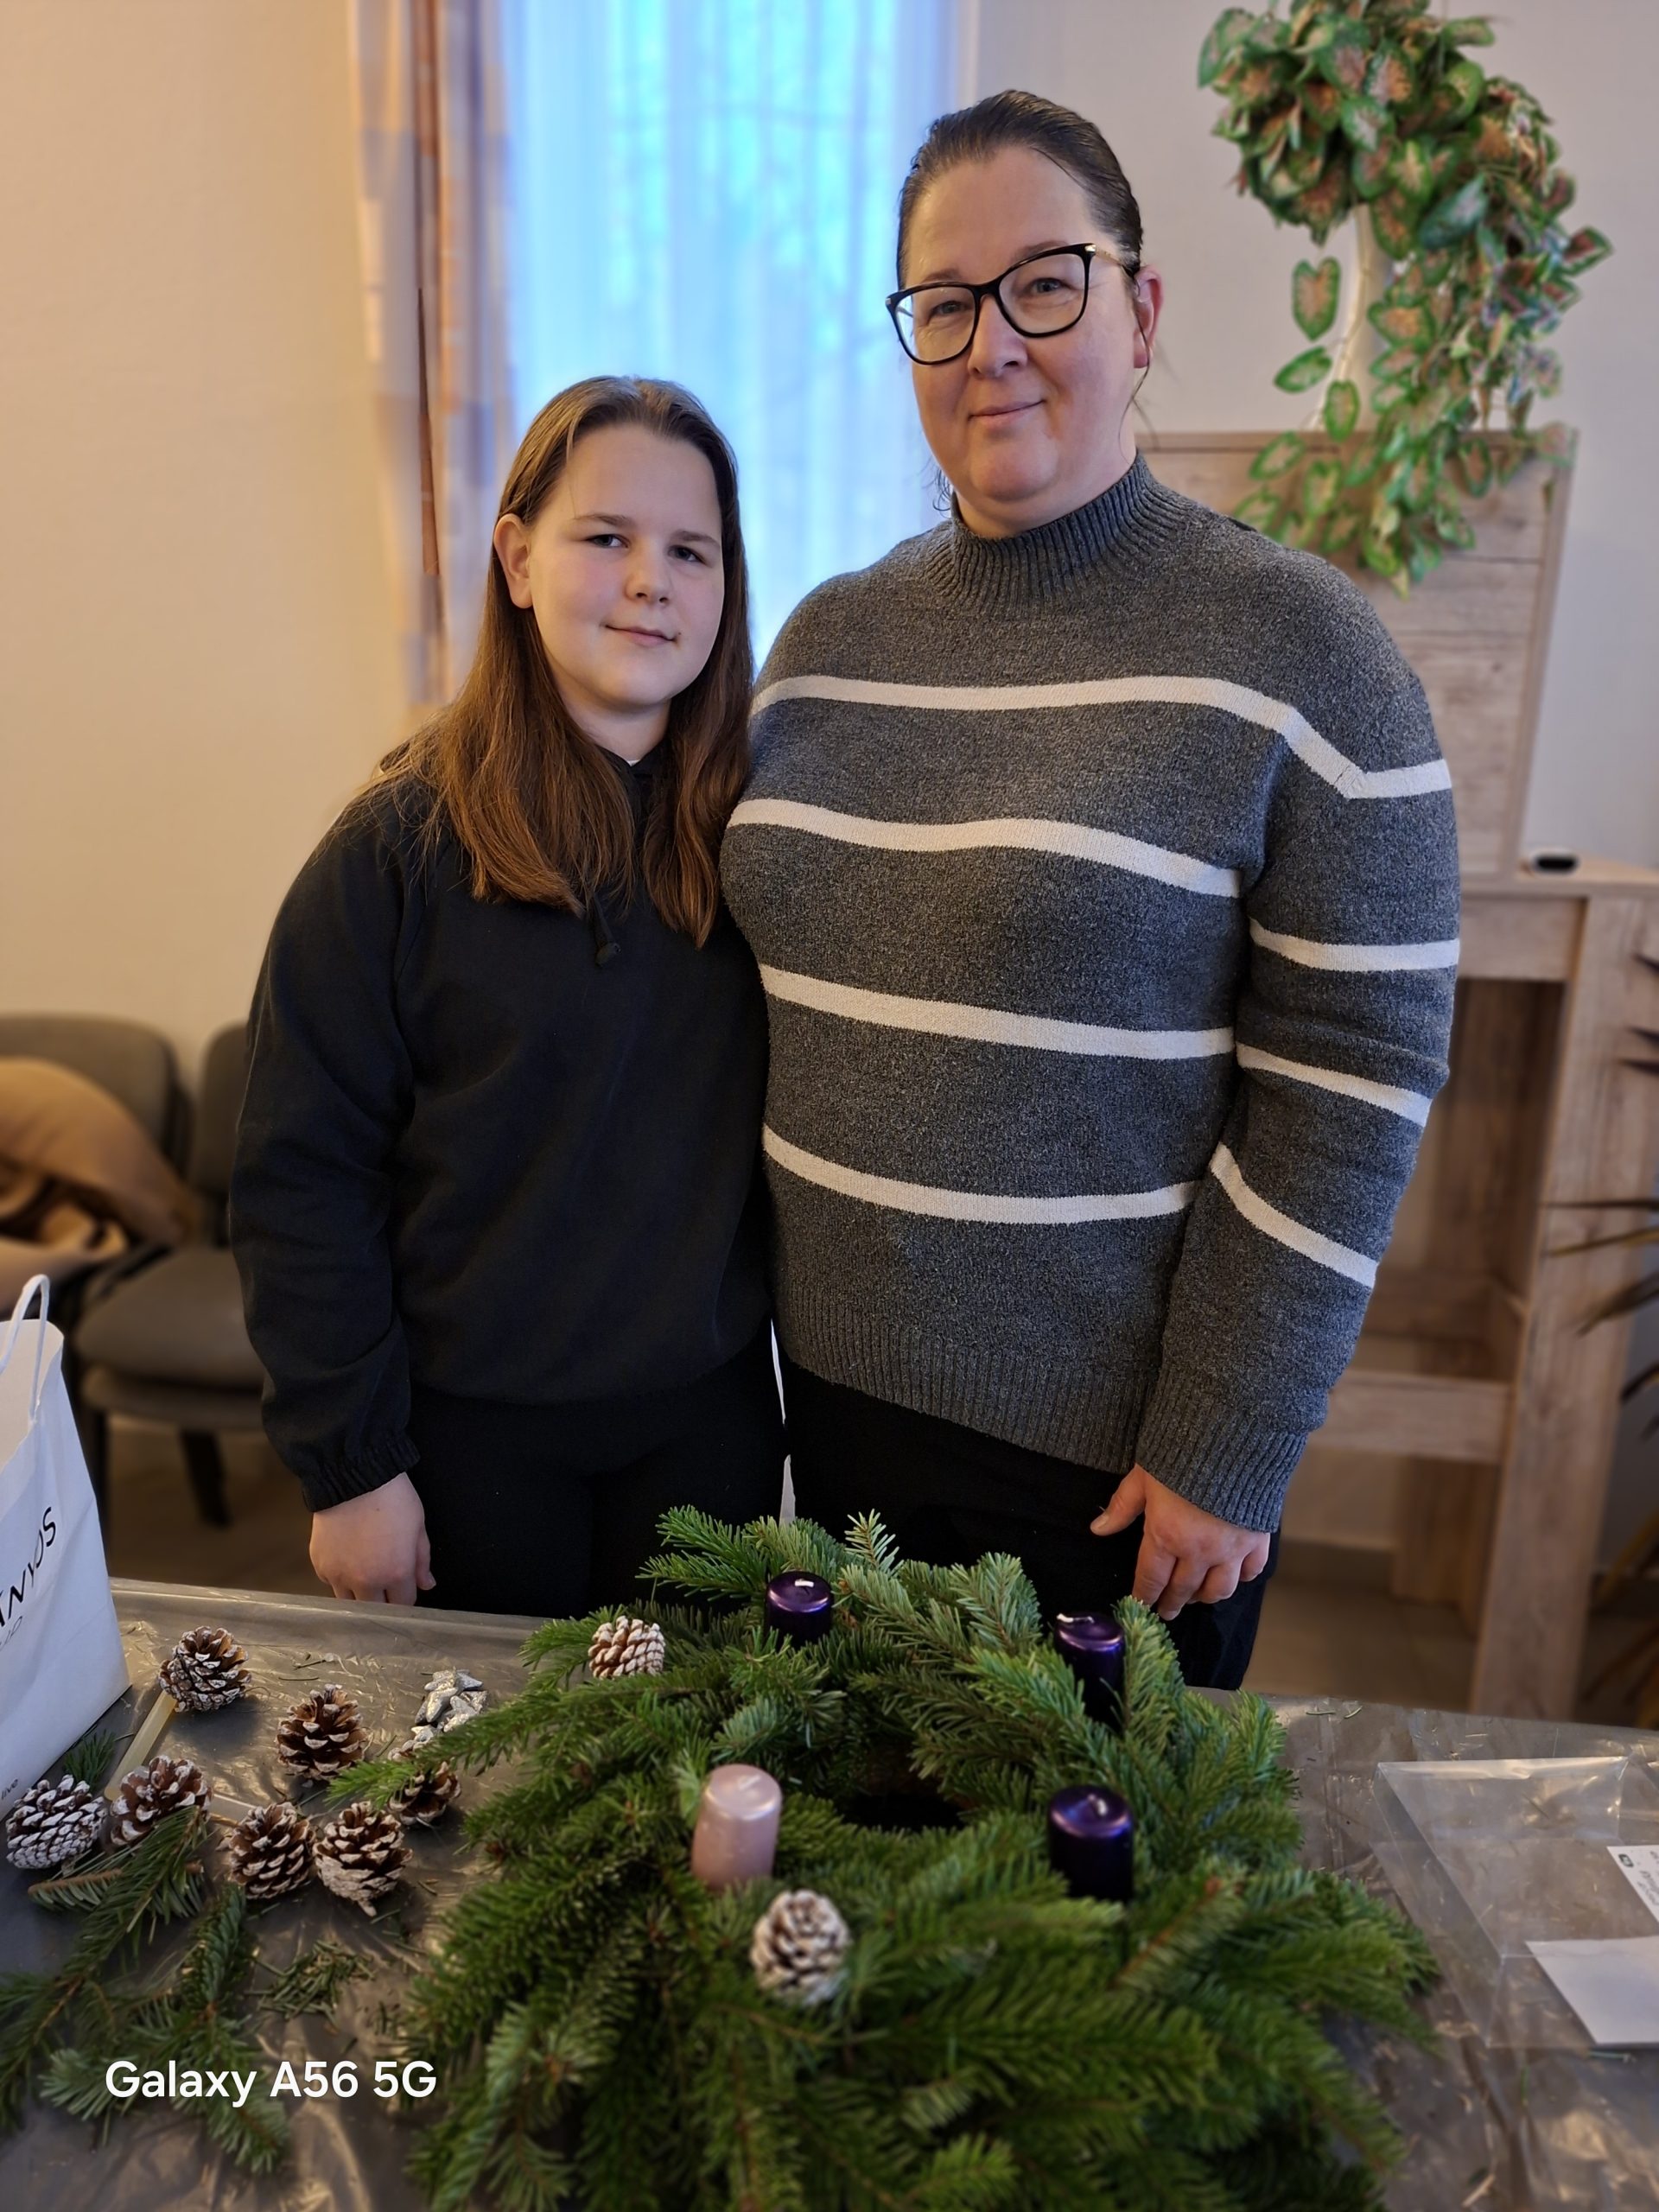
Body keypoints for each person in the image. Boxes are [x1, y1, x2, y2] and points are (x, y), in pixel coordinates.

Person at [721, 92, 1460, 1689]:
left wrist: (1231, 1436)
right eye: (943, 303)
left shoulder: (1304, 650)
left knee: (1078, 1864)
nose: (991, 343)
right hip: (825, 1429)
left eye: (1045, 284)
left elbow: (1354, 1082)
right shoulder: (824, 644)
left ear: (1142, 313)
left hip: (1112, 1480)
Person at [232, 377, 782, 1616]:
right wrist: (351, 1467)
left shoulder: (763, 841)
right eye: (607, 537)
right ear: (520, 559)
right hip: (465, 1450)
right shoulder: (394, 851)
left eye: (690, 552)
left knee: (693, 1744)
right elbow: (299, 1177)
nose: (650, 581)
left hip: (707, 1439)